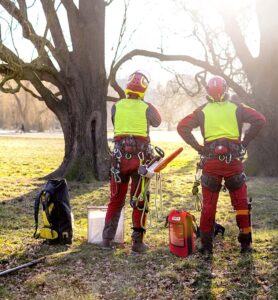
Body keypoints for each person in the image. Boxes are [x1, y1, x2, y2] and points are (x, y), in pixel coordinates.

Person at [177, 76, 266, 254]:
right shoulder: (237, 107)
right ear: (225, 89)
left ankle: (206, 246)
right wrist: (245, 142)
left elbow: (182, 127)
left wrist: (199, 148)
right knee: (241, 203)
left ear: (208, 91)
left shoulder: (202, 110)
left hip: (211, 162)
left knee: (209, 205)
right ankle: (245, 244)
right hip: (233, 162)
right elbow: (260, 120)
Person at [100, 70, 161, 253]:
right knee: (140, 199)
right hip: (140, 160)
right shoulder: (147, 107)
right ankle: (137, 242)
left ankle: (106, 240)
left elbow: (114, 120)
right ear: (143, 89)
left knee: (116, 199)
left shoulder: (116, 106)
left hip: (119, 160)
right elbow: (157, 121)